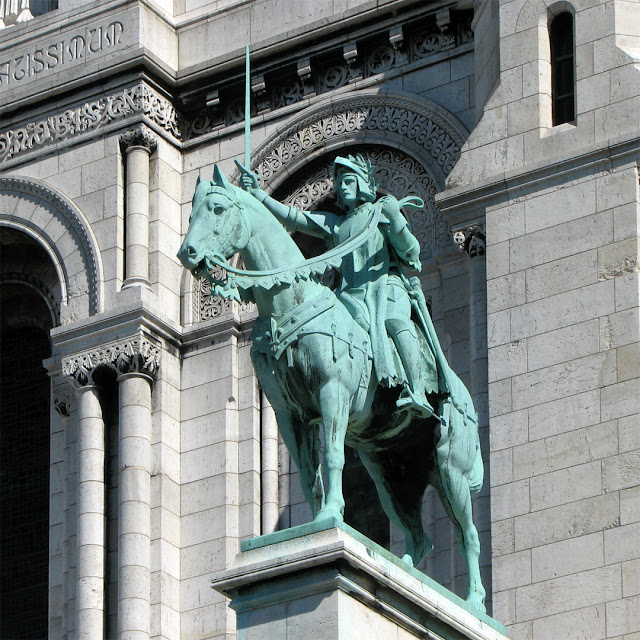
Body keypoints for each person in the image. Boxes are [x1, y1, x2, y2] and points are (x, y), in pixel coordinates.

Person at [238, 153, 438, 417]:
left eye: (348, 180)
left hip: (386, 287)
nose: (342, 186)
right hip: (349, 296)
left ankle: (418, 391)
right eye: (339, 182)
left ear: (362, 184)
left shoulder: (380, 214)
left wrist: (397, 220)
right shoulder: (336, 225)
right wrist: (258, 194)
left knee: (395, 321)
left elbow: (411, 252)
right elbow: (294, 218)